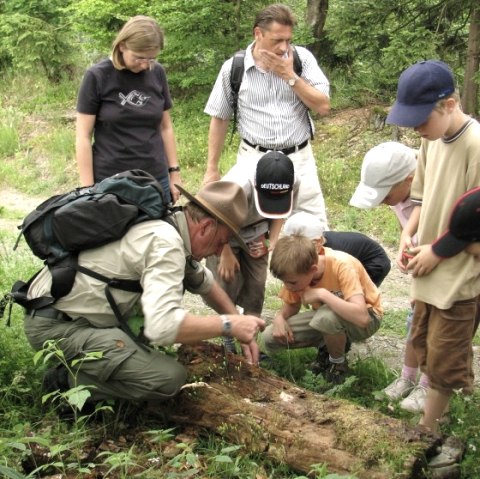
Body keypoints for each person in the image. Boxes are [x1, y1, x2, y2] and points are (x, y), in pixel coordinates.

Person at [23, 181, 265, 403]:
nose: (217, 252)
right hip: (58, 327)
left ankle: (99, 363)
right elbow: (163, 326)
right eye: (221, 242)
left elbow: (205, 283)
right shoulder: (165, 243)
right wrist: (227, 325)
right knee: (168, 378)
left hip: (66, 314)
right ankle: (65, 383)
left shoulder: (169, 223)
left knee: (149, 343)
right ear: (205, 228)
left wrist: (240, 323)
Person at [386, 59, 480, 435]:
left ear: (450, 105)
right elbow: (422, 200)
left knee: (444, 358)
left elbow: (474, 224)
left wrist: (436, 252)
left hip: (459, 275)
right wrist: (408, 234)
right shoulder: (431, 141)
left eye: (421, 120)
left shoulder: (475, 144)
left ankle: (428, 430)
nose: (416, 128)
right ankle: (425, 408)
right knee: (423, 339)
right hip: (430, 270)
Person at [203, 3, 330, 228]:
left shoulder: (302, 60)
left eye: (288, 40)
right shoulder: (234, 67)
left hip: (298, 159)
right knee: (233, 224)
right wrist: (212, 168)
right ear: (258, 33)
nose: (283, 47)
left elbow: (323, 106)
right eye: (277, 40)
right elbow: (220, 118)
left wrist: (290, 76)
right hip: (253, 158)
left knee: (313, 230)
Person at [349, 141, 429, 413]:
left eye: (385, 194)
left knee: (436, 328)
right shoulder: (400, 196)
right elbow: (407, 229)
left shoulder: (434, 194)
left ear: (409, 178)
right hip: (422, 270)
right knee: (414, 322)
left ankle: (428, 385)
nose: (382, 201)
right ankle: (407, 378)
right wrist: (406, 250)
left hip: (448, 272)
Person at [76, 15, 182, 204]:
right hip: (111, 181)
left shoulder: (157, 72)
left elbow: (166, 127)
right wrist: (87, 189)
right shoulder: (97, 76)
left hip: (155, 178)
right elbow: (83, 135)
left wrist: (174, 173)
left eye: (151, 59)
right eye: (139, 57)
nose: (145, 64)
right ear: (122, 45)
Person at [206, 151, 299, 357]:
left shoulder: (292, 181)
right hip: (224, 232)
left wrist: (270, 241)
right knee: (226, 284)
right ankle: (229, 342)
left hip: (258, 232)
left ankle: (250, 344)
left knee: (256, 287)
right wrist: (225, 252)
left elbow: (281, 214)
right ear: (256, 186)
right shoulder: (236, 186)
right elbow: (213, 215)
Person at [262, 234, 383, 384]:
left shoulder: (342, 265)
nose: (288, 287)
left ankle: (337, 365)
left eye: (292, 283)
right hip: (327, 319)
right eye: (284, 282)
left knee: (325, 317)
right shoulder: (295, 272)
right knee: (269, 337)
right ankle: (329, 347)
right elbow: (292, 305)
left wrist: (323, 294)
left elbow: (363, 318)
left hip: (368, 318)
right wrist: (279, 318)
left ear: (313, 269)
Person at [283, 212, 391, 288]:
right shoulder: (317, 245)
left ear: (318, 241)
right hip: (356, 253)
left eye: (301, 244)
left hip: (374, 262)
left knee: (349, 294)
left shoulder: (333, 253)